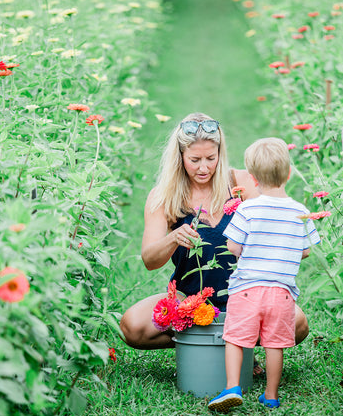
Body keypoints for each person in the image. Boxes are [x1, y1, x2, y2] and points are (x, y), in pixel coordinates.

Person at [119, 114, 310, 352]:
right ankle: (204, 343)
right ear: (180, 157)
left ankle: (229, 342)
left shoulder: (240, 183)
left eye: (211, 158)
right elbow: (149, 260)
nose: (204, 167)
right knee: (132, 326)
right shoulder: (163, 197)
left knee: (297, 323)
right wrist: (172, 238)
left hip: (248, 294)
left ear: (220, 153)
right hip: (189, 299)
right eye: (194, 159)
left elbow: (279, 221)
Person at [208, 137, 320, 413]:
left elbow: (233, 246)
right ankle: (270, 395)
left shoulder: (247, 209)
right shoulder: (301, 213)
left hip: (246, 289)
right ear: (289, 173)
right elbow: (306, 251)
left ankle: (232, 386)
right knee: (273, 343)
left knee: (235, 337)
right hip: (281, 292)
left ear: (254, 180)